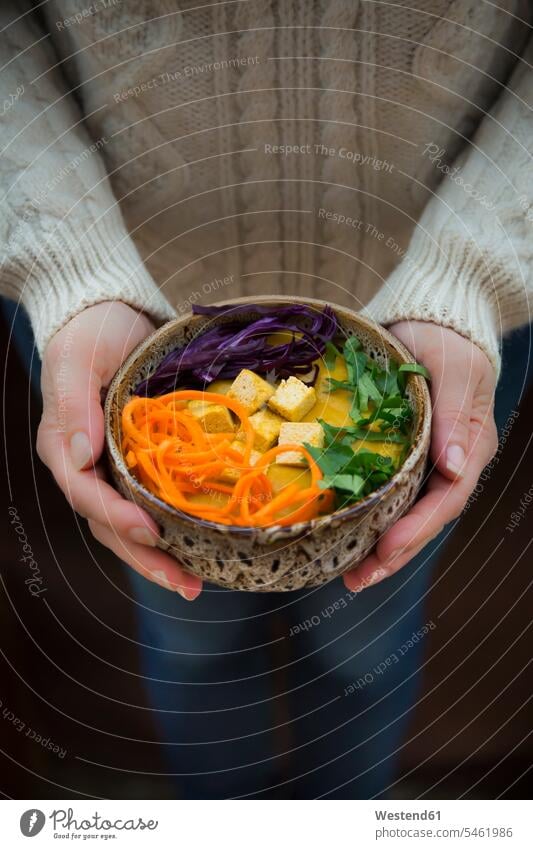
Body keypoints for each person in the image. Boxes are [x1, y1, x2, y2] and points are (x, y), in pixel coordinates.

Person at [1, 1, 532, 798]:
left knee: (365, 642)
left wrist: (471, 269)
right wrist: (69, 270)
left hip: (449, 321)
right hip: (117, 302)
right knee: (189, 643)